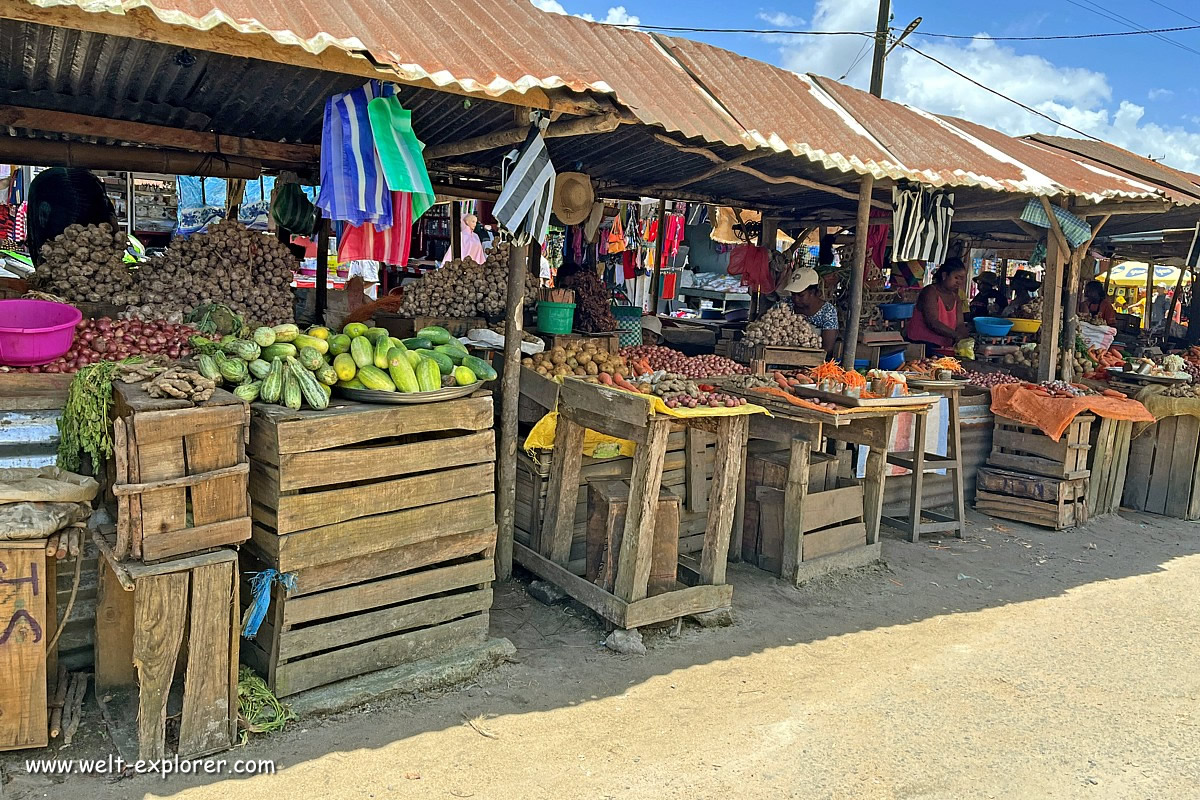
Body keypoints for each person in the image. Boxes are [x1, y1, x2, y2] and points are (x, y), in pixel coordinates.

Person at [907, 258, 969, 352]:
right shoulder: (930, 292)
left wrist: (965, 339)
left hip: (943, 348)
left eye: (962, 279)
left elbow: (960, 324)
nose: (959, 282)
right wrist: (956, 335)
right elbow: (932, 322)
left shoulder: (957, 298)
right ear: (944, 275)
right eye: (956, 278)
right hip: (920, 346)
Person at [778, 266, 839, 356]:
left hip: (813, 362)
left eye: (800, 295)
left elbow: (828, 348)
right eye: (793, 294)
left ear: (812, 292)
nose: (795, 298)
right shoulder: (785, 305)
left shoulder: (827, 311)